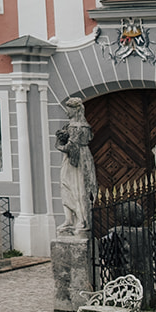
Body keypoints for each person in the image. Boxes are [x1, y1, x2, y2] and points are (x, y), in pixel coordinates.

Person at [56, 96, 97, 235]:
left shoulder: (77, 127)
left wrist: (59, 143)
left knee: (78, 188)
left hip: (78, 161)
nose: (67, 112)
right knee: (66, 186)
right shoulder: (73, 126)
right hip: (74, 160)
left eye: (69, 109)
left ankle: (81, 220)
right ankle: (69, 220)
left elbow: (71, 147)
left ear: (76, 110)